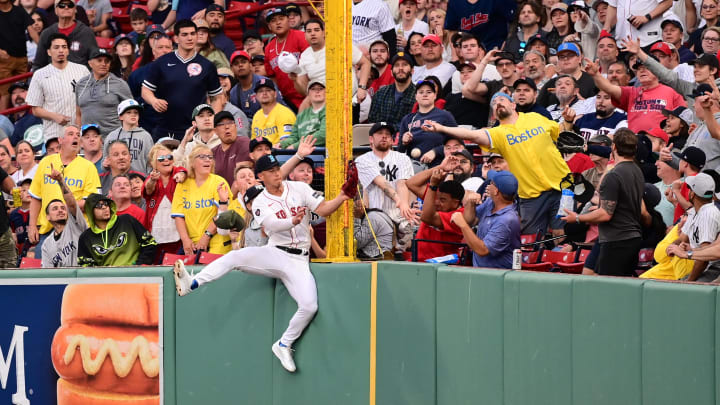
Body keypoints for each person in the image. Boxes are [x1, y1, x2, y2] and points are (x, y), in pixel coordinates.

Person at [172, 153, 355, 373]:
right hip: (275, 253)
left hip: (299, 259)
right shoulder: (259, 200)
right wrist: (292, 221)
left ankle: (284, 344)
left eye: (277, 169)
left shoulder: (300, 189)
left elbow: (324, 209)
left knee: (309, 306)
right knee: (234, 257)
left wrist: (343, 197)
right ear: (261, 177)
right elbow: (272, 225)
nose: (277, 173)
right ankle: (192, 283)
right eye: (271, 171)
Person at [423, 92, 570, 236]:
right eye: (494, 103)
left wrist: (568, 121)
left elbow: (562, 133)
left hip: (562, 184)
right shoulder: (497, 133)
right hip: (531, 194)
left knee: (561, 234)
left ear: (513, 105)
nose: (498, 103)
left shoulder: (535, 117)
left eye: (502, 99)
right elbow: (472, 135)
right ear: (493, 115)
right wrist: (441, 128)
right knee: (531, 241)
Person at [561, 128, 648, 277]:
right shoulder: (636, 170)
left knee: (606, 289)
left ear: (613, 147)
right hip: (630, 238)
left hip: (617, 240)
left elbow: (605, 214)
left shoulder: (614, 175)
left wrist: (577, 218)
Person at [142, 19, 223, 140]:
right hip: (165, 128)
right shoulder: (162, 62)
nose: (189, 38)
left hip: (196, 131)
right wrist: (154, 101)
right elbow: (145, 90)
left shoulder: (207, 66)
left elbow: (216, 97)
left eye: (192, 34)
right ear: (176, 39)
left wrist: (213, 122)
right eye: (184, 35)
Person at [28, 125, 100, 260]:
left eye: (78, 135)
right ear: (60, 140)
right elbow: (36, 197)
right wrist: (32, 225)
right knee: (43, 276)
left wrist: (61, 210)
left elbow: (90, 202)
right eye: (71, 134)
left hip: (76, 231)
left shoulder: (88, 167)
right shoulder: (46, 162)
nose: (76, 137)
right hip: (47, 231)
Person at [355, 122, 417, 255]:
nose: (384, 137)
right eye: (380, 134)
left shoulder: (402, 158)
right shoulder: (362, 160)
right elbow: (381, 182)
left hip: (399, 215)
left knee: (407, 249)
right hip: (375, 217)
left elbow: (402, 184)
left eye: (388, 135)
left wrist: (404, 205)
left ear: (392, 139)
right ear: (371, 139)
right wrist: (399, 200)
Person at [586, 54, 686, 134]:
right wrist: (596, 75)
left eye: (646, 67)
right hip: (634, 146)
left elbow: (684, 120)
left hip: (660, 145)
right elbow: (608, 88)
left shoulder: (671, 92)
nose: (642, 70)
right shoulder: (631, 92)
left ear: (657, 70)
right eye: (638, 68)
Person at [26, 33, 90, 143]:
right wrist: (54, 116)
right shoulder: (39, 74)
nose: (61, 50)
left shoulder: (82, 70)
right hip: (53, 135)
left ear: (68, 51)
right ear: (49, 52)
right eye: (56, 47)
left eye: (64, 47)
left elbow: (91, 100)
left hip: (80, 134)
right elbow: (35, 109)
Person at [452, 170, 521, 268]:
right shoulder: (491, 203)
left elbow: (483, 250)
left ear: (496, 191)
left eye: (491, 183)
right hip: (483, 272)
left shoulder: (507, 220)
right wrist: (470, 203)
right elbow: (471, 220)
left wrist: (462, 224)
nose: (488, 185)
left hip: (499, 276)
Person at [172, 144, 232, 255]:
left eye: (210, 157)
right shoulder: (183, 184)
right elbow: (178, 215)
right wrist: (185, 240)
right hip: (192, 242)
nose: (208, 160)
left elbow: (222, 214)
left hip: (217, 240)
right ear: (192, 163)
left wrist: (206, 236)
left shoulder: (219, 182)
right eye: (202, 157)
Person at [666, 173, 720, 281]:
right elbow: (682, 239)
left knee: (684, 291)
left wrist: (689, 282)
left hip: (713, 268)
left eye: (689, 189)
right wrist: (673, 247)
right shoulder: (694, 211)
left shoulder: (708, 213)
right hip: (700, 265)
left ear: (692, 194)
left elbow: (705, 260)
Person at [77, 193, 156, 266]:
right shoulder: (85, 238)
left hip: (135, 275)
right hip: (107, 280)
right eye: (98, 205)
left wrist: (138, 266)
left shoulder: (127, 221)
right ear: (90, 211)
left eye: (106, 204)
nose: (104, 207)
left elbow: (150, 243)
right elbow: (85, 265)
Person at [406, 165, 465, 262]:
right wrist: (441, 167)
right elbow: (411, 183)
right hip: (418, 262)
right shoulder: (434, 199)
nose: (436, 203)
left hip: (440, 268)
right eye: (436, 198)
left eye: (442, 200)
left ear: (455, 202)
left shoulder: (459, 215)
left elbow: (426, 217)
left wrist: (433, 185)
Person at [397, 79, 456, 168]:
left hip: (439, 166)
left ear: (435, 95)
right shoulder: (407, 119)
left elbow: (458, 144)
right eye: (421, 92)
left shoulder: (445, 116)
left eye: (429, 92)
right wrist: (403, 143)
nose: (425, 94)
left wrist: (435, 151)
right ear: (416, 96)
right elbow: (400, 152)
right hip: (413, 168)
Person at [143, 143, 186, 263]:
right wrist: (152, 180)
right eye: (161, 159)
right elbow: (148, 189)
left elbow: (183, 171)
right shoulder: (151, 178)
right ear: (153, 163)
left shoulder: (178, 172)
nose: (166, 160)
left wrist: (182, 175)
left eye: (169, 157)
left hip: (178, 236)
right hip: (156, 235)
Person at [76, 49, 133, 137]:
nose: (103, 64)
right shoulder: (81, 84)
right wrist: (79, 136)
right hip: (88, 141)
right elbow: (78, 114)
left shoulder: (120, 84)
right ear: (90, 63)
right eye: (99, 60)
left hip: (113, 140)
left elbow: (132, 112)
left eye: (107, 61)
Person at [41, 163, 87, 267]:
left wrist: (60, 181)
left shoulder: (76, 225)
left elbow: (71, 203)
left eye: (62, 208)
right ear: (48, 216)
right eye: (55, 209)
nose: (60, 210)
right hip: (63, 281)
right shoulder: (47, 244)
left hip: (82, 276)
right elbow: (48, 272)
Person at [263, 7, 309, 110]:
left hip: (307, 94)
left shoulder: (301, 37)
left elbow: (311, 63)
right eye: (273, 21)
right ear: (269, 26)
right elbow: (272, 77)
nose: (278, 23)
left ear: (288, 20)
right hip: (286, 101)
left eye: (281, 18)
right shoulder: (268, 48)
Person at [228, 50, 288, 127]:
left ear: (250, 65)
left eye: (243, 62)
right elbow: (239, 120)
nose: (240, 65)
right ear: (232, 68)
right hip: (251, 129)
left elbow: (279, 108)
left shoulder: (265, 82)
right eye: (236, 63)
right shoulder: (233, 92)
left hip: (275, 123)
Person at [33, 0, 98, 69]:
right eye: (61, 5)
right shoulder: (47, 33)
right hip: (53, 77)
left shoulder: (87, 32)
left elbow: (95, 61)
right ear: (56, 11)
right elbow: (39, 64)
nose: (66, 7)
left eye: (70, 5)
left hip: (81, 77)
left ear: (75, 9)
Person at [0, 0, 38, 111]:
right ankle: (2, 123)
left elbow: (32, 31)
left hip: (22, 60)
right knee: (5, 93)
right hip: (3, 62)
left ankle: (22, 121)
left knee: (22, 92)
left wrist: (43, 50)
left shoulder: (19, 11)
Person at [537, 42, 597, 107]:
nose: (566, 59)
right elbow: (538, 109)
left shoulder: (592, 81)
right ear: (558, 61)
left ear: (579, 59)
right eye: (562, 57)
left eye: (570, 55)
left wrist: (583, 103)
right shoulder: (550, 84)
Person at [104, 99, 154, 174]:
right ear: (121, 116)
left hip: (139, 181)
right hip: (117, 181)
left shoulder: (145, 136)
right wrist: (105, 165)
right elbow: (105, 161)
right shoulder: (112, 136)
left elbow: (151, 162)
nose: (133, 115)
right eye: (128, 112)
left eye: (136, 112)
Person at [443, 0, 515, 51]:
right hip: (469, 51)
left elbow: (513, 20)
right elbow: (451, 30)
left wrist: (507, 44)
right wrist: (454, 54)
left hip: (494, 49)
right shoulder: (454, 2)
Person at [368, 52, 417, 127]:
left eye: (405, 64)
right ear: (391, 72)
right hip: (382, 136)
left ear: (412, 70)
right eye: (397, 65)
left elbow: (417, 124)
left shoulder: (418, 95)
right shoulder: (380, 94)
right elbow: (372, 122)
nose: (400, 68)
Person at [602, 0, 673, 47]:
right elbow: (612, 5)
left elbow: (668, 2)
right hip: (623, 42)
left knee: (647, 69)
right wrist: (606, 27)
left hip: (647, 40)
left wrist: (647, 17)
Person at [280, 80, 326, 149]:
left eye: (321, 88)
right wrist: (281, 144)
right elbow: (294, 137)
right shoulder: (302, 115)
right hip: (301, 150)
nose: (317, 91)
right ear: (308, 94)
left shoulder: (329, 111)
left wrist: (295, 146)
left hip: (320, 150)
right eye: (313, 89)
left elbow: (323, 135)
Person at [250, 79, 296, 146]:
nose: (264, 93)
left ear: (275, 94)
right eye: (260, 91)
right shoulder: (257, 115)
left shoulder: (284, 113)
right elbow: (253, 142)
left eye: (268, 90)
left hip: (280, 153)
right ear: (256, 96)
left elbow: (286, 141)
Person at [212, 111, 251, 185]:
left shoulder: (245, 143)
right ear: (215, 131)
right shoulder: (213, 152)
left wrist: (229, 197)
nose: (227, 127)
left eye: (230, 123)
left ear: (236, 127)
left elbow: (240, 181)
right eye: (221, 124)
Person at [353, 191, 394, 259]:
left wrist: (356, 218)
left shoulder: (372, 217)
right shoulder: (372, 215)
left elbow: (357, 243)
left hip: (377, 256)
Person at [293, 18, 325, 98]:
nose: (313, 34)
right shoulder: (304, 56)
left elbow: (362, 63)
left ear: (324, 33)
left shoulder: (338, 46)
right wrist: (294, 80)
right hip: (321, 99)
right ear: (305, 35)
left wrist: (362, 88)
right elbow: (304, 91)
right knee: (303, 109)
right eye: (309, 31)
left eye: (316, 30)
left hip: (347, 97)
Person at [8, 81, 41, 147]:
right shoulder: (9, 119)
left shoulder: (38, 112)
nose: (18, 95)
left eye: (22, 91)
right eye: (14, 93)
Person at [9, 178, 32, 261]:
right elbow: (12, 232)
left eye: (31, 189)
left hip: (34, 249)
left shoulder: (39, 211)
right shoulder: (13, 214)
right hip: (19, 251)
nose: (28, 192)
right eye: (24, 190)